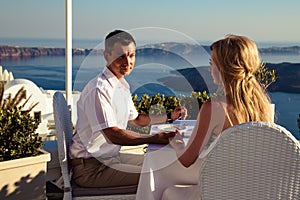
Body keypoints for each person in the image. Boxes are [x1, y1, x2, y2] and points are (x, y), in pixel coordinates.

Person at [69, 29, 187, 188]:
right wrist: (155, 138)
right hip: (91, 168)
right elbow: (113, 135)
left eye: (131, 55)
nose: (127, 61)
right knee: (159, 175)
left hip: (112, 159)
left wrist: (170, 116)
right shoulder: (99, 89)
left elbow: (137, 119)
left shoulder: (121, 85)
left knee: (165, 164)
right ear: (107, 56)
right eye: (120, 56)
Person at [161, 34, 273, 199]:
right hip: (254, 190)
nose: (209, 68)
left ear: (224, 68)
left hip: (220, 191)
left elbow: (187, 160)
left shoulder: (214, 108)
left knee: (166, 188)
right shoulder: (263, 106)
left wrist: (177, 144)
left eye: (211, 63)